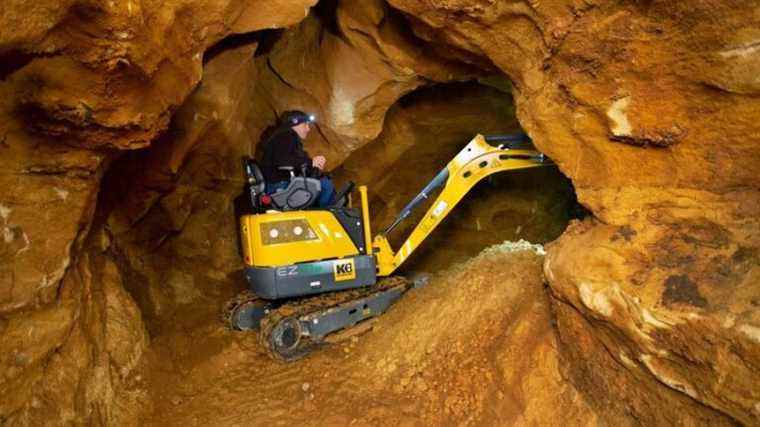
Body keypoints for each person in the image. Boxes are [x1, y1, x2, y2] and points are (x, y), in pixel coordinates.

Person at [260, 110, 336, 207]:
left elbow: (295, 161)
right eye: (305, 125)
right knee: (325, 185)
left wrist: (313, 167)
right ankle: (328, 214)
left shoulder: (285, 137)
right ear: (295, 124)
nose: (308, 129)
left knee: (323, 181)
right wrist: (311, 162)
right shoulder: (286, 136)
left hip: (280, 183)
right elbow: (283, 161)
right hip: (280, 185)